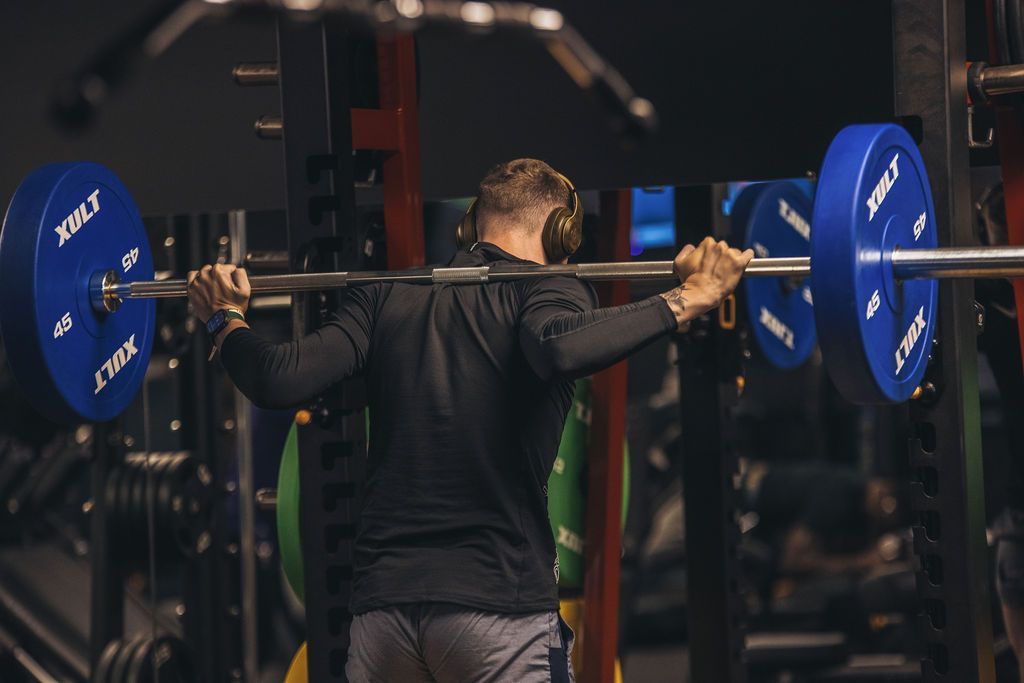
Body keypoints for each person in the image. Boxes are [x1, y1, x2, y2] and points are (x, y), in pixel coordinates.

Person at [187, 159, 752, 681]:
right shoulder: (549, 288)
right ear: (563, 232)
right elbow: (559, 350)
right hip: (497, 615)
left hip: (382, 620)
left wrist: (225, 318)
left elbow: (276, 378)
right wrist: (688, 297)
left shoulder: (388, 296)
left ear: (468, 228)